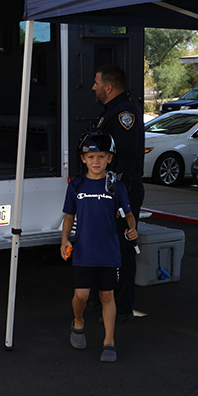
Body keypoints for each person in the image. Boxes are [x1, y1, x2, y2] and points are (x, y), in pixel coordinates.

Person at [60, 132, 137, 362]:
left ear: (109, 159)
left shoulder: (117, 187)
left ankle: (109, 342)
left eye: (101, 156)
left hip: (109, 252)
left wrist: (132, 228)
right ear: (83, 159)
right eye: (91, 156)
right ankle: (79, 321)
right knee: (81, 296)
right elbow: (69, 215)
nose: (96, 161)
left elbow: (129, 215)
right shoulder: (76, 185)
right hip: (84, 250)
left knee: (107, 295)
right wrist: (65, 240)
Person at [91, 64, 145, 322]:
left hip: (123, 192)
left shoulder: (125, 114)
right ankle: (104, 299)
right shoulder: (111, 113)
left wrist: (113, 195)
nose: (93, 87)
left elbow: (125, 159)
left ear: (108, 87)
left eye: (96, 83)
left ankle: (122, 307)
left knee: (123, 248)